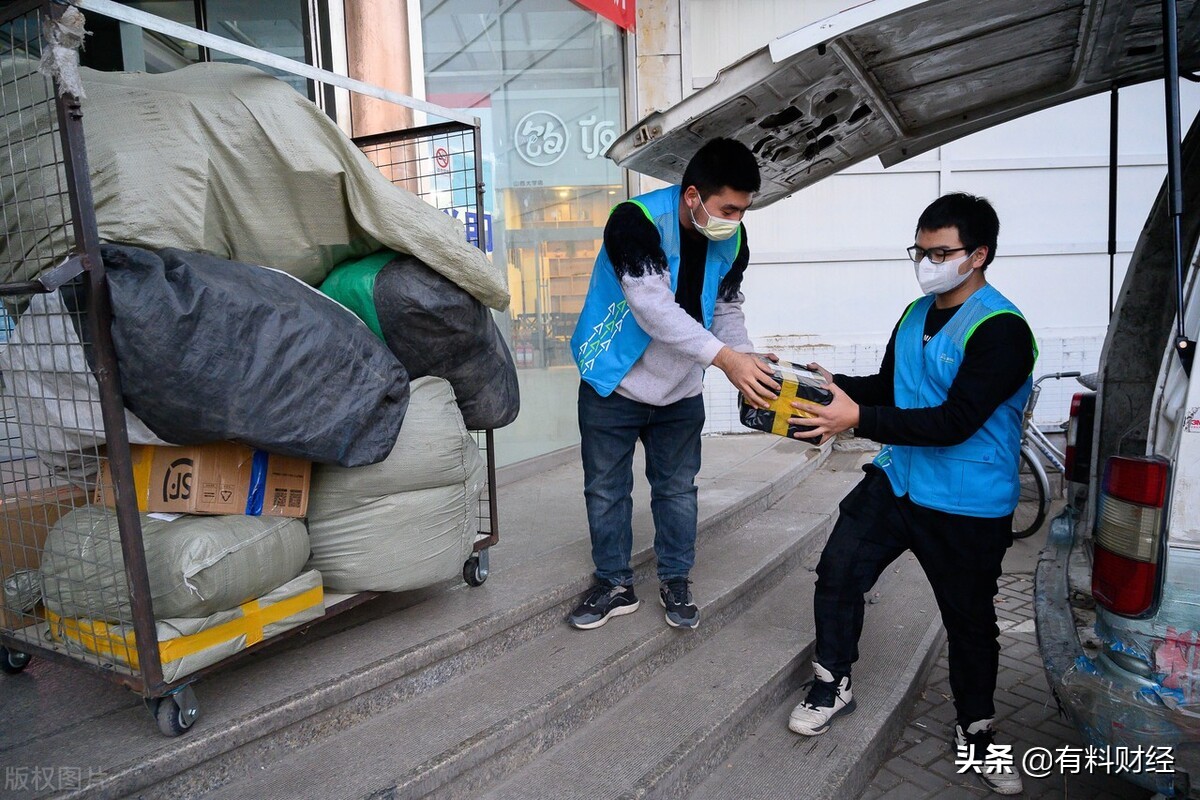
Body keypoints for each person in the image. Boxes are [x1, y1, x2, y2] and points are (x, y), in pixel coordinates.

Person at [784, 193, 1034, 795]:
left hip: (968, 503)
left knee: (969, 620)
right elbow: (892, 390)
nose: (926, 262)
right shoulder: (915, 314)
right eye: (919, 250)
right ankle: (833, 681)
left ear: (979, 255)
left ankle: (975, 730)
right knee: (839, 571)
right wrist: (826, 385)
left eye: (940, 252)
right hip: (900, 480)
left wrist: (856, 419)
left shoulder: (1003, 331)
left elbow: (954, 421)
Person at [567, 137, 778, 631]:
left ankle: (676, 579)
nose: (736, 220)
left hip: (680, 389)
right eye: (728, 207)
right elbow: (651, 307)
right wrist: (727, 360)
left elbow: (726, 307)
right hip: (612, 382)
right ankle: (614, 584)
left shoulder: (733, 238)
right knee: (605, 491)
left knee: (678, 489)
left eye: (744, 210)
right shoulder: (633, 222)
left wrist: (745, 357)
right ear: (692, 197)